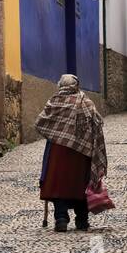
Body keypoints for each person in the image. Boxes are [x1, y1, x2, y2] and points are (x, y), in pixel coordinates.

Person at [36, 74, 107, 233]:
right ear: (76, 86)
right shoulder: (86, 103)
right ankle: (82, 220)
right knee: (80, 183)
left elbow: (41, 123)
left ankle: (61, 218)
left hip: (58, 151)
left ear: (61, 86)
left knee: (58, 184)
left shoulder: (54, 102)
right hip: (81, 153)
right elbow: (97, 126)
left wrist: (56, 133)